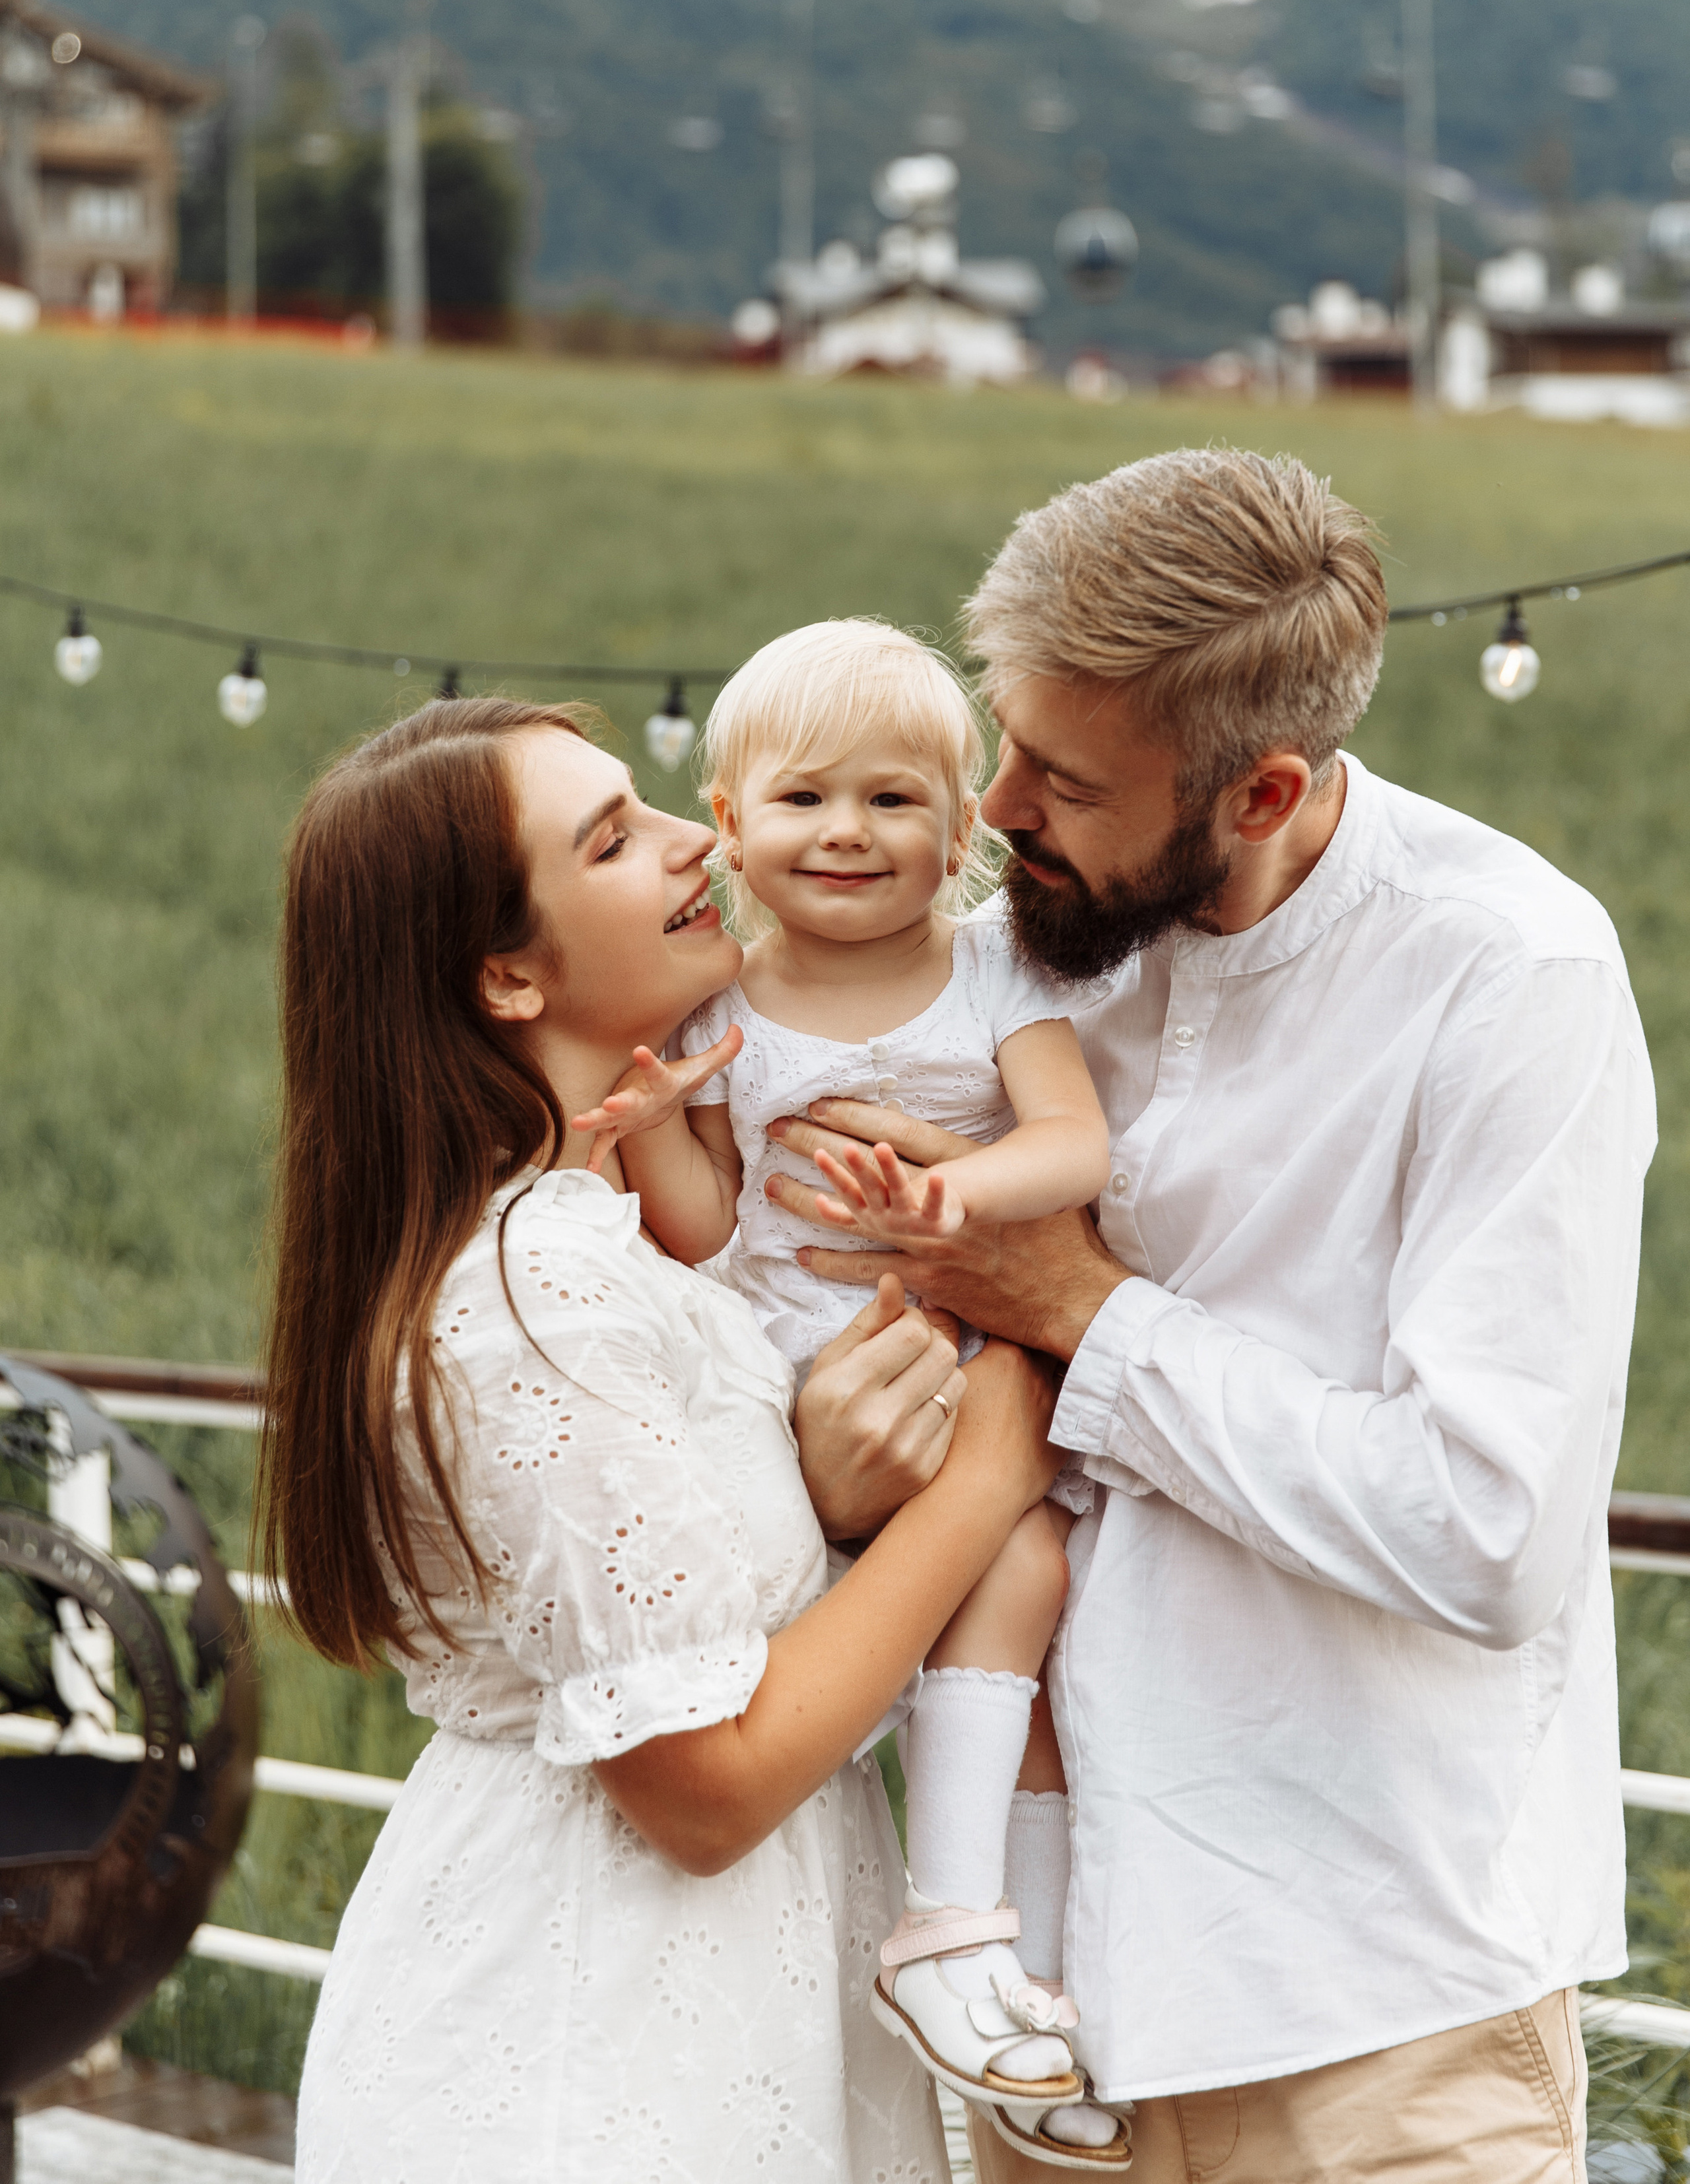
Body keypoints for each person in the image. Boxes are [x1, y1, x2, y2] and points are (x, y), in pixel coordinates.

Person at [770, 449, 1656, 2182]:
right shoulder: (996, 965)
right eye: (1004, 739)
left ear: (1259, 795)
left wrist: (1085, 1313)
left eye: (1064, 780)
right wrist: (835, 1449)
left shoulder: (1510, 979)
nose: (994, 807)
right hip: (1039, 2010)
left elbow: (1486, 1532)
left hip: (1377, 2016)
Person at [259, 695, 1065, 2183]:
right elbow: (706, 1789)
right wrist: (988, 1474)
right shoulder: (534, 1294)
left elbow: (705, 1624)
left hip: (705, 2012)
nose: (698, 837)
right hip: (589, 2046)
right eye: (613, 839)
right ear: (508, 974)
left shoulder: (606, 1242)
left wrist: (826, 1500)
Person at [572, 620, 1127, 2166]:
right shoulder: (720, 1005)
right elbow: (702, 1222)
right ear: (729, 823)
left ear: (957, 836)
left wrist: (957, 1202)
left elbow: (1069, 1143)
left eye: (892, 801)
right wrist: (647, 1120)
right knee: (944, 1620)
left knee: (1028, 1605)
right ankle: (952, 1938)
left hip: (963, 1359)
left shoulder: (990, 971)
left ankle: (1003, 1967)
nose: (847, 831)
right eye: (804, 798)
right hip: (793, 1394)